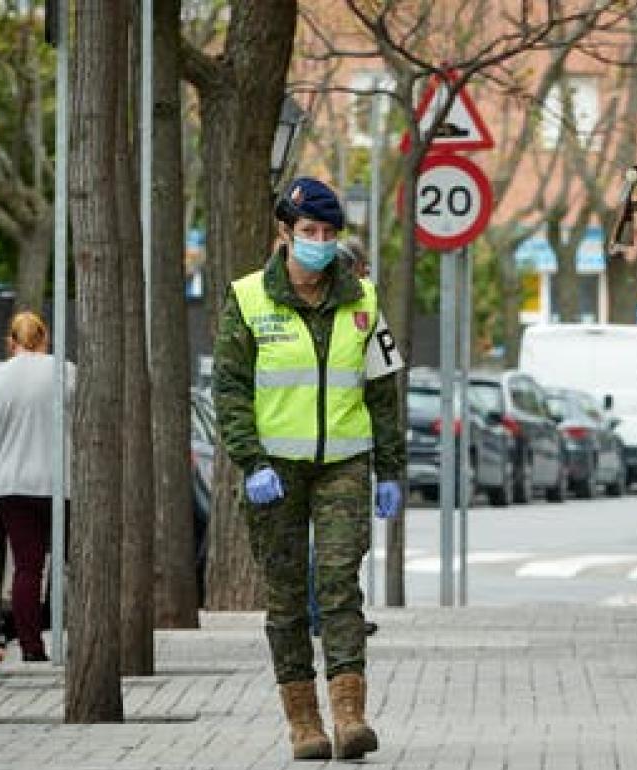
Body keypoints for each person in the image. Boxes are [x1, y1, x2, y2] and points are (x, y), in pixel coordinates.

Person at [213, 177, 405, 761]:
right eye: (308, 232)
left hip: (344, 462)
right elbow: (230, 388)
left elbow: (383, 391)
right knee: (287, 595)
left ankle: (350, 717)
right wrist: (250, 460)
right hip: (274, 469)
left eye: (327, 233)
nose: (319, 243)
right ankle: (304, 724)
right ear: (285, 233)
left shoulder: (362, 300)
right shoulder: (249, 298)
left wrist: (390, 469)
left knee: (340, 583)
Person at [0, 312, 74, 663]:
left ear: (11, 342)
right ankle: (81, 638)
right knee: (73, 562)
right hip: (57, 482)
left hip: (12, 485)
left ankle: (31, 647)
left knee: (27, 567)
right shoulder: (64, 371)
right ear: (45, 338)